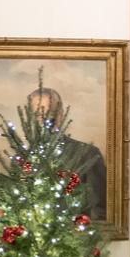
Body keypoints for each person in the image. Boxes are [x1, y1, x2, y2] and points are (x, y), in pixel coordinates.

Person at [26, 85, 107, 221]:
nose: (45, 120)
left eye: (50, 112)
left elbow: (100, 210)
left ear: (61, 115)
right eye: (38, 114)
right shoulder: (23, 158)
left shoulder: (87, 154)